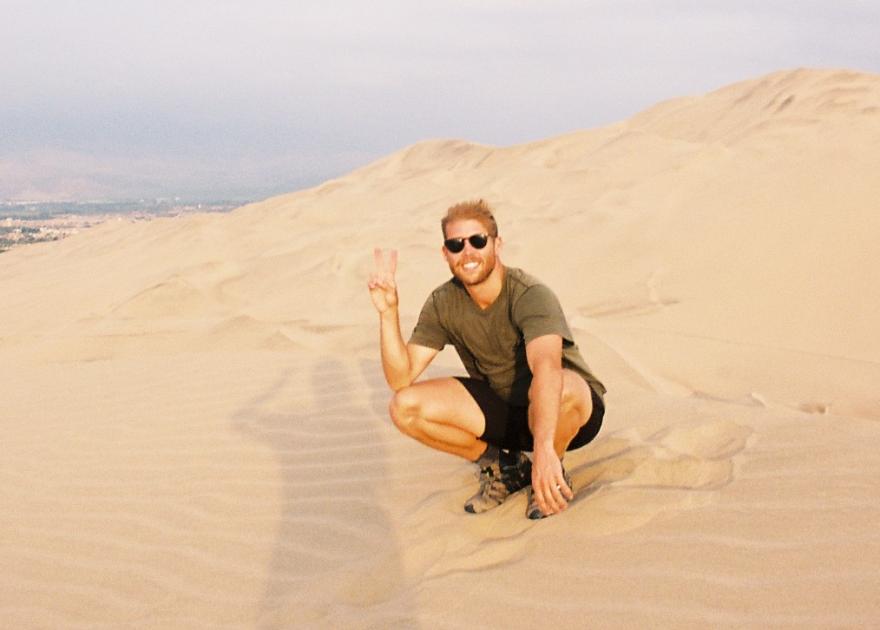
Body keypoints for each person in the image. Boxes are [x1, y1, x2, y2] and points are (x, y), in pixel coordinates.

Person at [368, 199, 606, 519]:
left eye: (478, 241)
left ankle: (549, 470)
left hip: (566, 413)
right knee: (404, 406)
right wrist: (388, 314)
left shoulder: (529, 294)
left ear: (497, 244)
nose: (468, 253)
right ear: (445, 253)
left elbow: (547, 367)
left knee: (559, 387)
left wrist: (546, 449)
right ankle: (504, 467)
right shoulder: (443, 302)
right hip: (507, 411)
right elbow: (401, 378)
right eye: (456, 244)